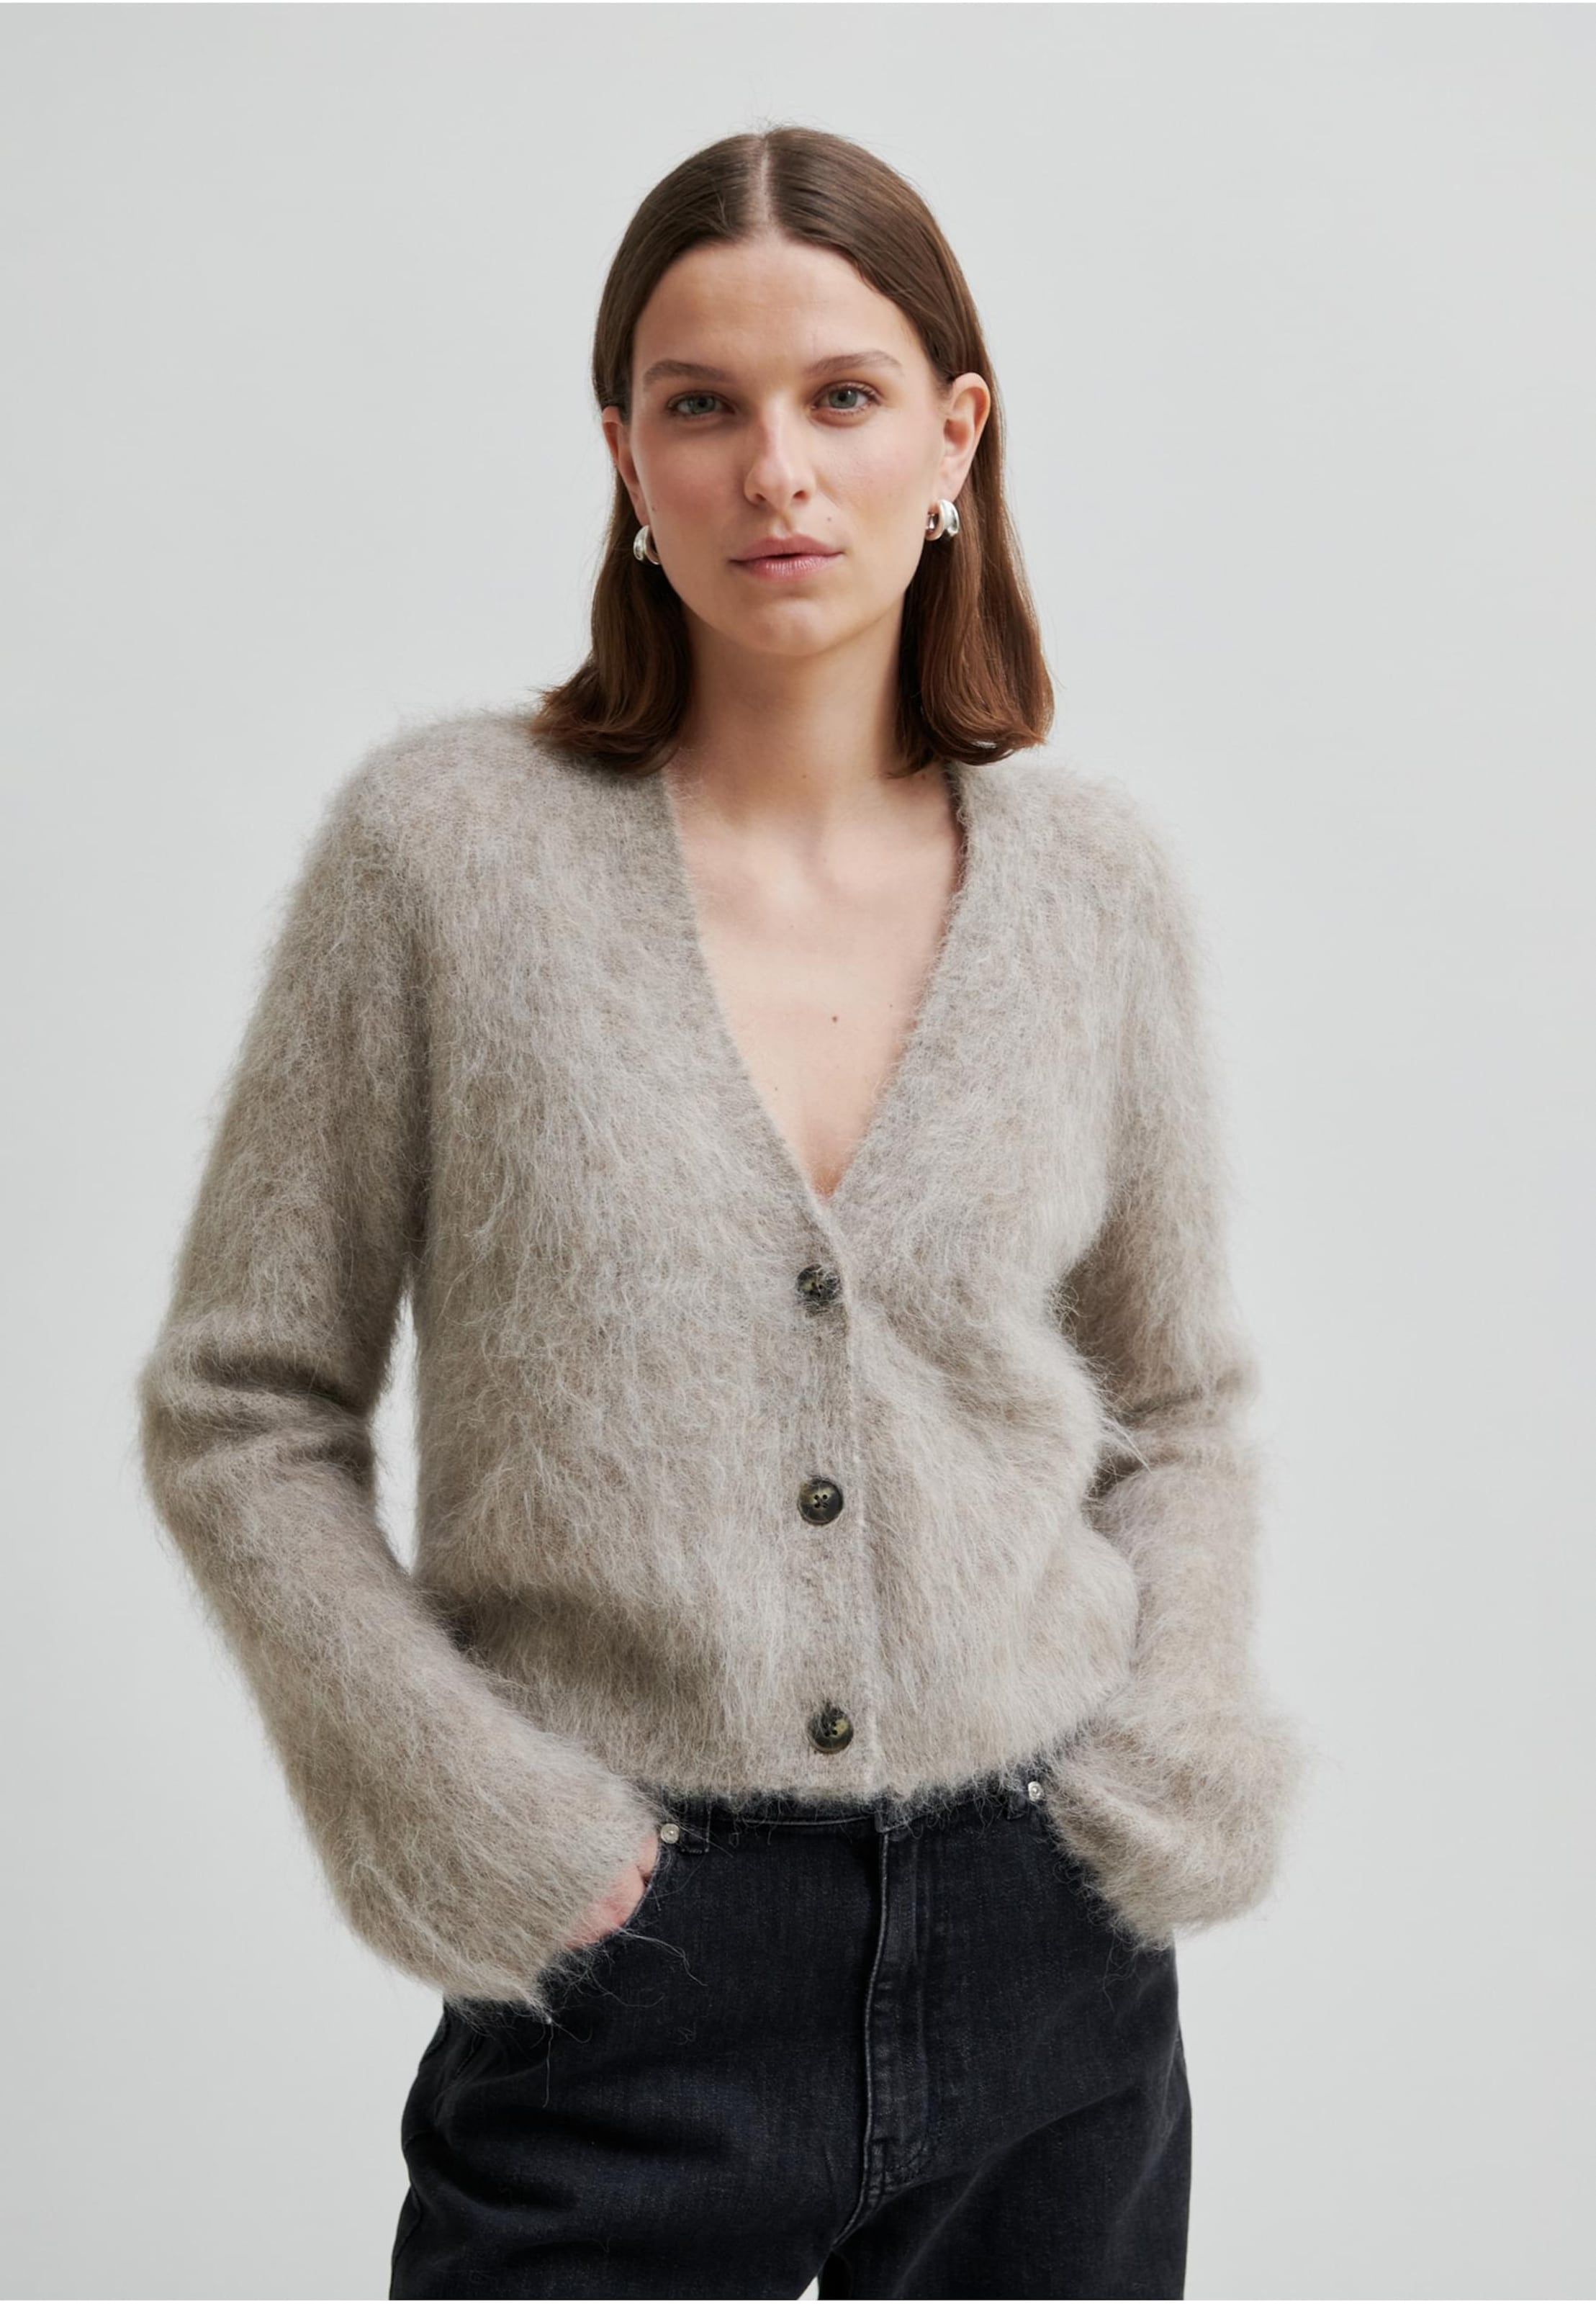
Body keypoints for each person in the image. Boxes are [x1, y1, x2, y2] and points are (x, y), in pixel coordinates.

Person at [135, 125, 1309, 2300]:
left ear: (953, 437)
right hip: (623, 1978)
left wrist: (1169, 1742)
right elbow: (241, 1406)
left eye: (844, 395)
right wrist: (472, 1806)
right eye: (703, 404)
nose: (777, 469)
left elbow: (1176, 1403)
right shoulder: (443, 859)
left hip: (1048, 1973)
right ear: (626, 457)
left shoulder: (1092, 892)